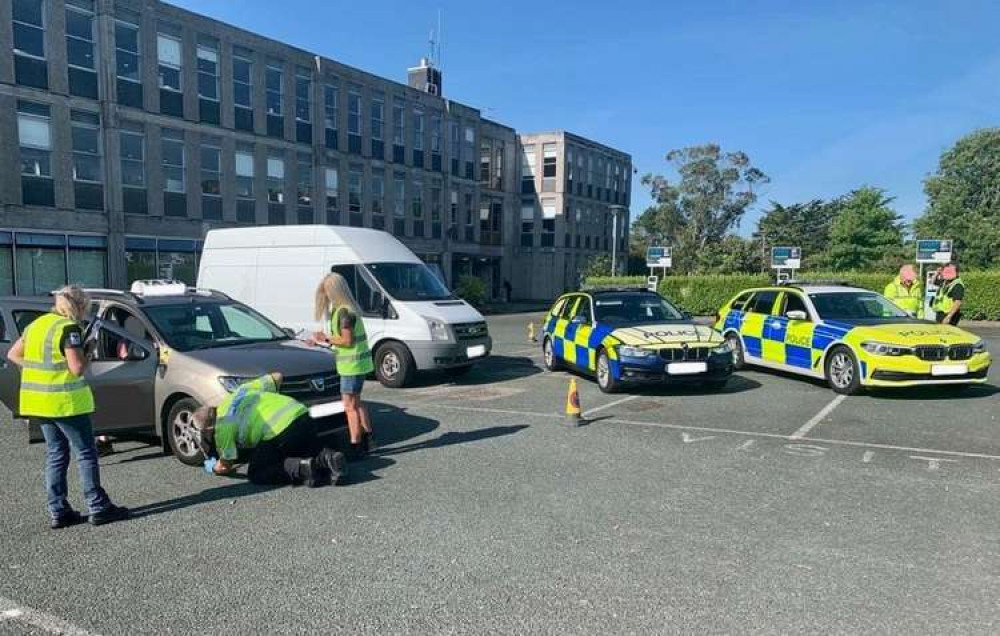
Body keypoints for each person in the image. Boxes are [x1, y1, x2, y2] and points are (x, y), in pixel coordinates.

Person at [6, 286, 129, 529]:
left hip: (38, 403)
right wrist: (89, 351)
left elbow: (13, 354)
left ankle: (58, 510)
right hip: (65, 402)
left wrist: (36, 370)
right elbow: (77, 368)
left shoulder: (37, 325)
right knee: (85, 453)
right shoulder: (69, 329)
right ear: (79, 306)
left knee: (56, 454)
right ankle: (98, 505)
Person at [192, 373, 346, 487]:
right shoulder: (240, 392)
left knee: (258, 472)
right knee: (301, 445)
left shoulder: (222, 428)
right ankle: (330, 458)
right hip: (300, 413)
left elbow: (226, 465)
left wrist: (212, 467)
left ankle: (305, 468)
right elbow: (278, 376)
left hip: (279, 431)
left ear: (209, 427)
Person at [310, 273, 375, 460]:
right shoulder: (349, 309)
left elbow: (347, 341)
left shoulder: (344, 312)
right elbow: (345, 341)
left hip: (351, 366)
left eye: (327, 293)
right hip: (358, 364)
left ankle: (356, 445)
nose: (326, 298)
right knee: (357, 403)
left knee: (349, 406)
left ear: (334, 292)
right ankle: (369, 439)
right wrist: (323, 341)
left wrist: (325, 338)